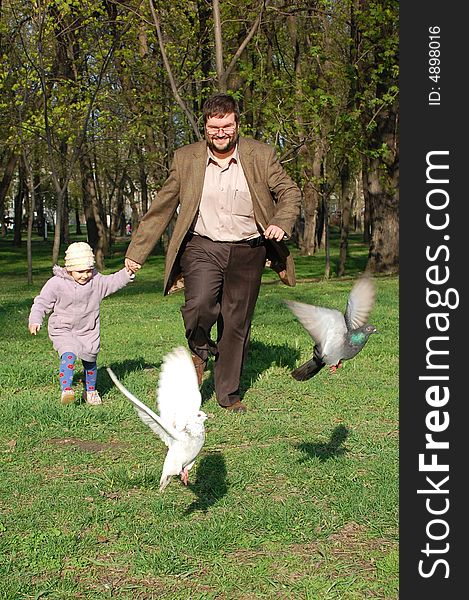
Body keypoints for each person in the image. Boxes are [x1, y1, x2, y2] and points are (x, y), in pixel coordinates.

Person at [125, 93, 301, 413]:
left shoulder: (261, 155)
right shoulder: (186, 159)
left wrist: (280, 220)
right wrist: (137, 251)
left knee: (236, 324)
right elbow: (162, 207)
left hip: (249, 249)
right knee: (199, 305)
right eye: (214, 127)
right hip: (202, 246)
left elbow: (289, 191)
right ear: (204, 126)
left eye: (227, 126)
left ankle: (228, 395)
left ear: (237, 124)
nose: (221, 132)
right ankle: (201, 349)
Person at [29, 242, 134, 405]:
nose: (85, 275)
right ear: (69, 269)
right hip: (63, 329)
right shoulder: (57, 283)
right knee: (68, 355)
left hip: (88, 330)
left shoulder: (96, 282)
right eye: (80, 271)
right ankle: (67, 390)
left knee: (90, 361)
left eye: (88, 271)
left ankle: (90, 391)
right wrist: (35, 319)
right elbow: (42, 302)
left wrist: (127, 273)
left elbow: (113, 281)